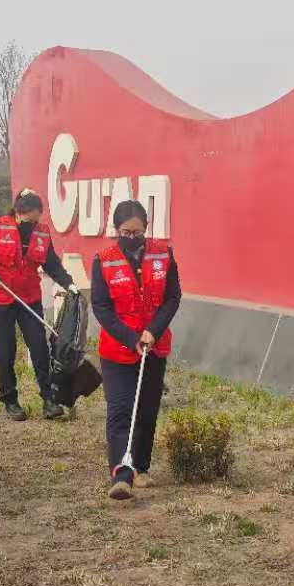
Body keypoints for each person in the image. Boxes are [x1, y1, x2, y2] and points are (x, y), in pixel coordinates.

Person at [0, 188, 78, 421]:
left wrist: (69, 284)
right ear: (17, 213)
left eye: (35, 220)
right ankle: (10, 400)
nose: (31, 225)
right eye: (27, 220)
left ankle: (49, 399)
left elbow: (51, 264)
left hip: (29, 297)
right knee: (5, 353)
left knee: (40, 349)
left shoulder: (42, 233)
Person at [92, 199, 181, 500]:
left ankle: (141, 467)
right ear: (116, 230)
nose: (132, 238)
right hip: (117, 349)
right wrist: (131, 338)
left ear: (146, 228)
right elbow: (101, 307)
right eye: (126, 233)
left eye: (137, 232)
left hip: (154, 345)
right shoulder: (103, 260)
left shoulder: (163, 254)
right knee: (120, 410)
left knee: (147, 409)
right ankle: (122, 474)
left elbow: (172, 297)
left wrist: (153, 331)